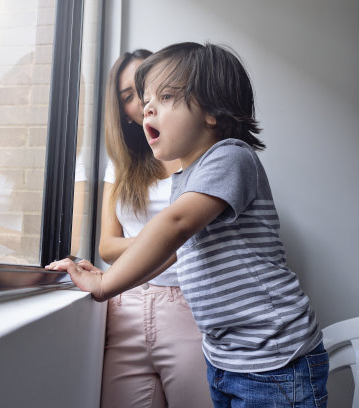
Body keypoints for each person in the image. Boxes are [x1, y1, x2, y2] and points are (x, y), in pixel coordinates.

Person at [47, 42, 329, 407]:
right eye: (145, 99)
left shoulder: (231, 156)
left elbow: (174, 225)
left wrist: (104, 283)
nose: (148, 107)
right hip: (227, 359)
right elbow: (176, 248)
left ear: (212, 111)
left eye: (165, 97)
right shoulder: (185, 177)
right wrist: (120, 284)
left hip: (274, 357)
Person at [98, 49, 211, 408]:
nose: (143, 105)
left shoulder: (199, 157)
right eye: (129, 97)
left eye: (148, 90)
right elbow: (106, 246)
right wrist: (156, 244)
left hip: (187, 300)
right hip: (126, 302)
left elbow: (182, 231)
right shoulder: (121, 168)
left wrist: (157, 243)